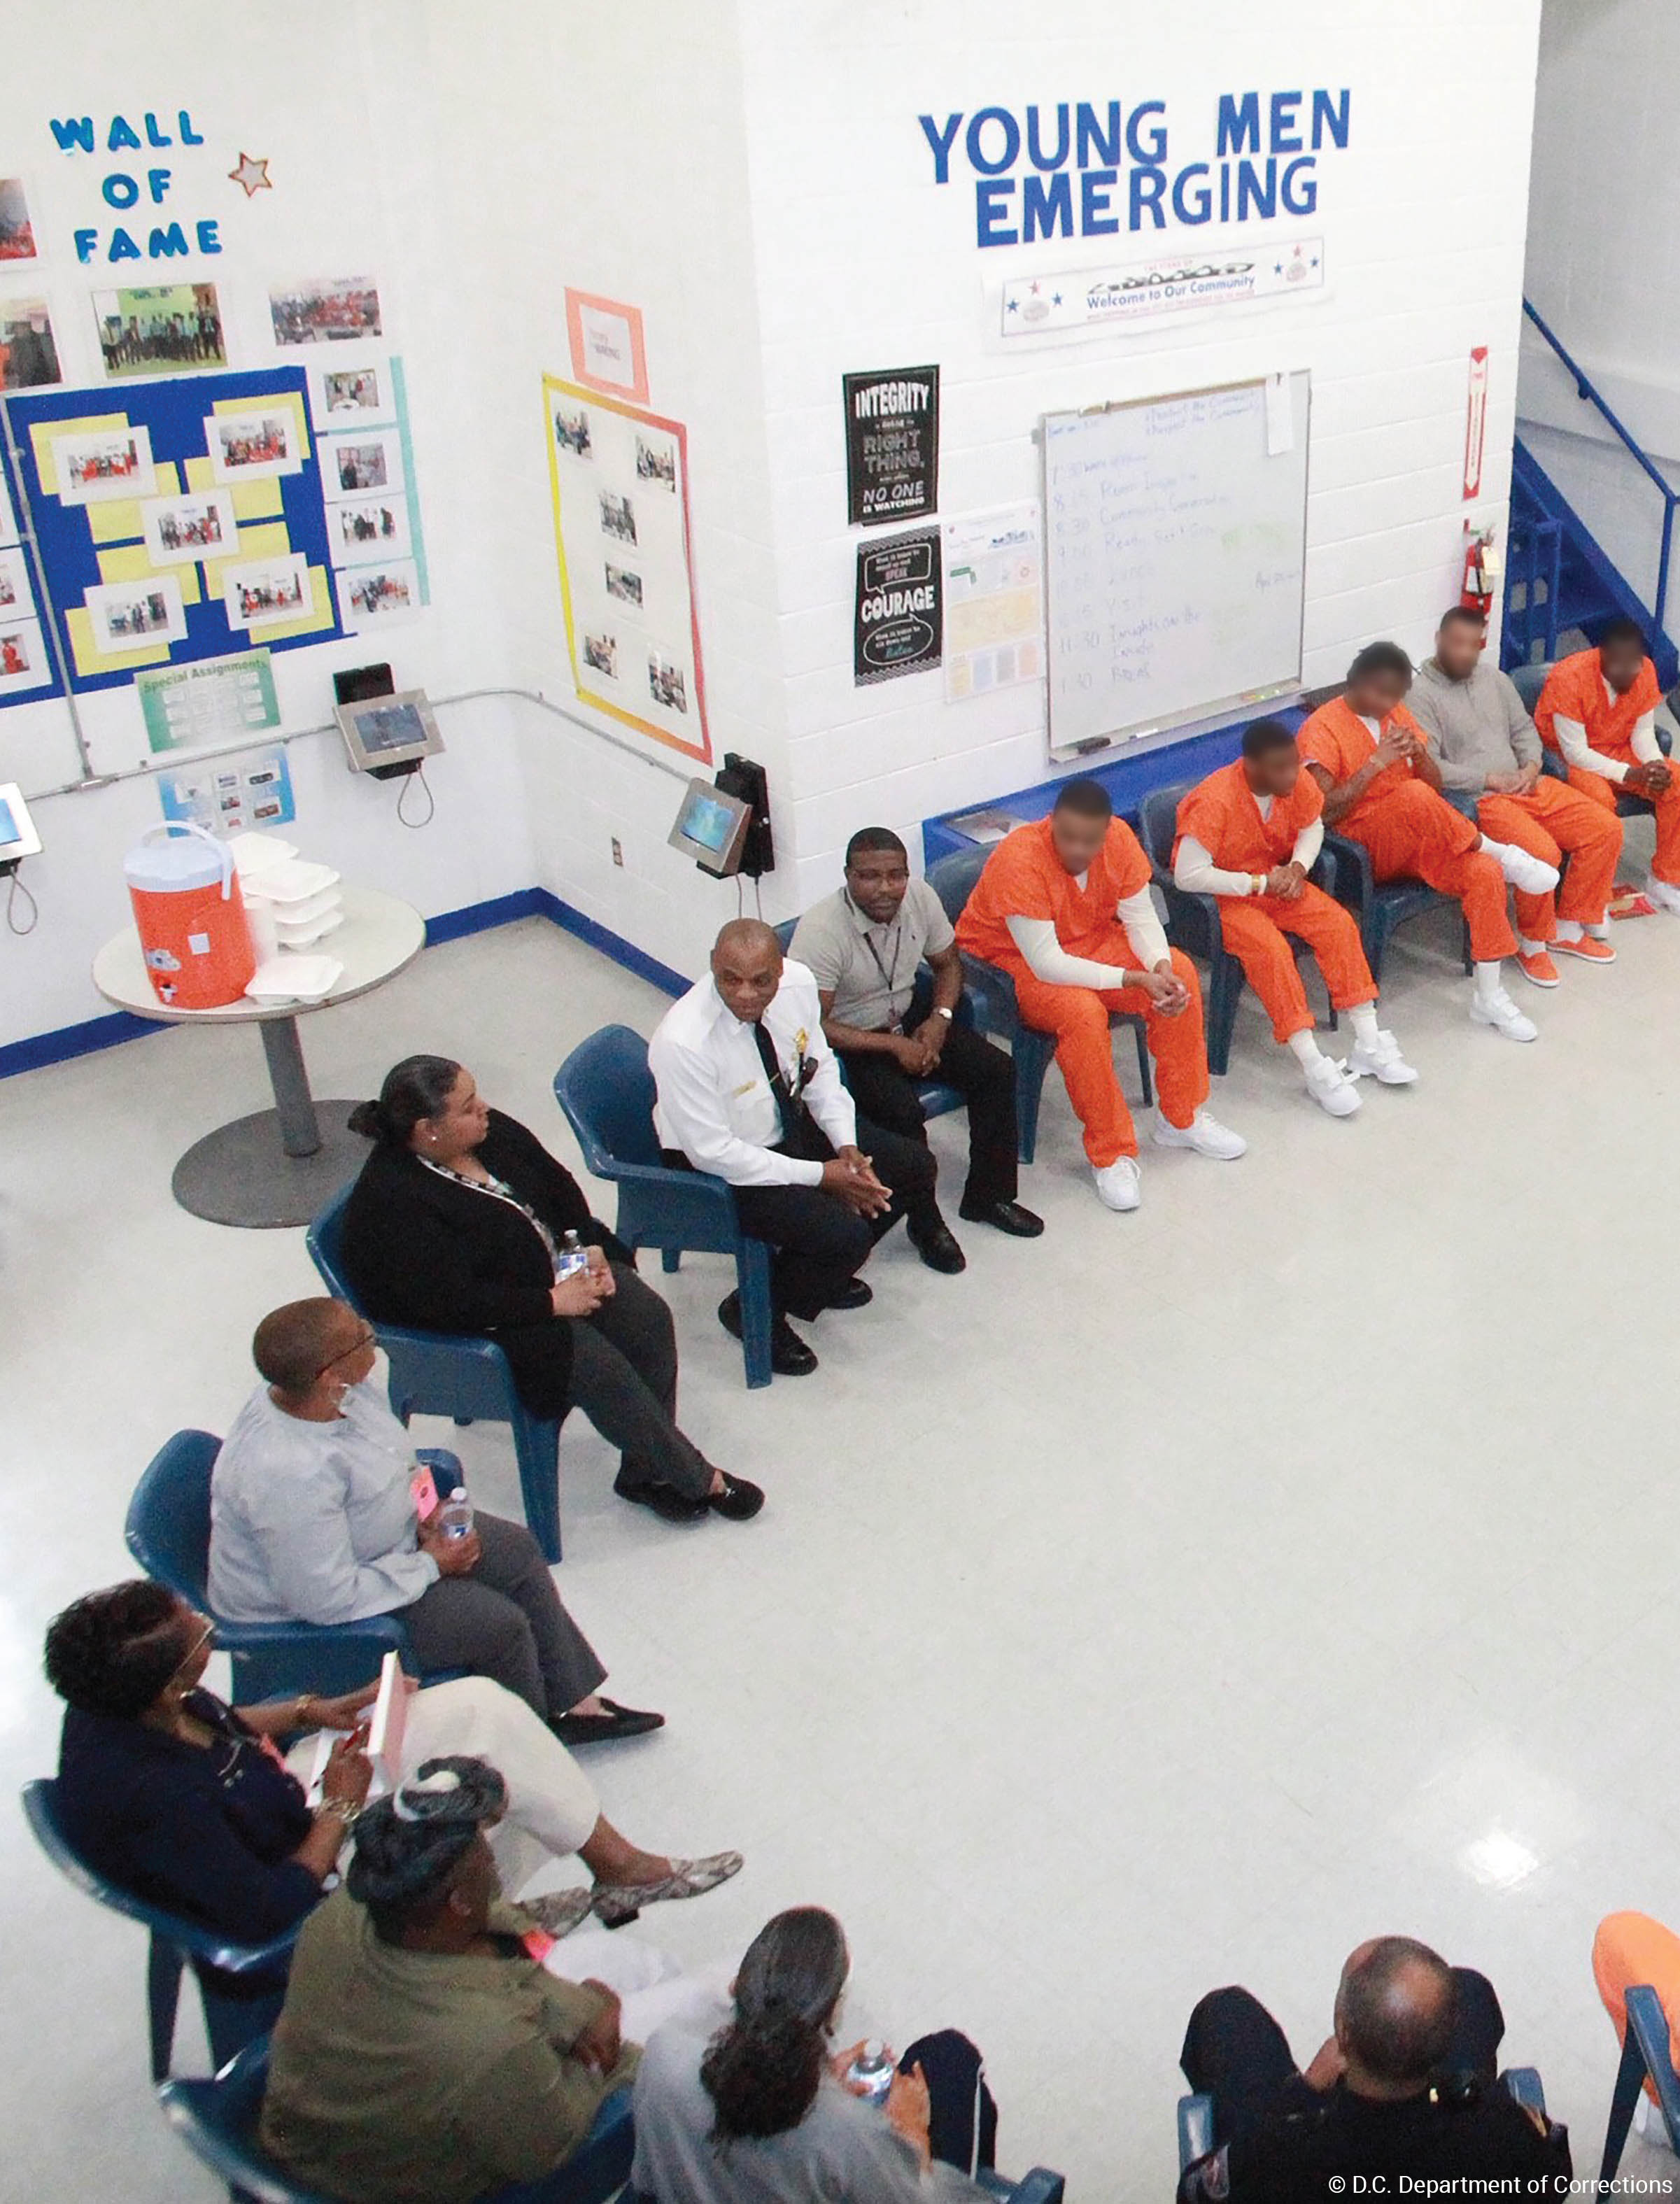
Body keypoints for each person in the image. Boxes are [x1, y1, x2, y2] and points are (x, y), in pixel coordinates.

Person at [43, 1582, 742, 1970]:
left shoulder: (122, 1698)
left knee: (483, 1710)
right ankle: (483, 1925)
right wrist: (339, 1811)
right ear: (167, 1684)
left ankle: (608, 1870)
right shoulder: (157, 1800)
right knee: (472, 1797)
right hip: (297, 1883)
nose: (208, 1626)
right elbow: (269, 1907)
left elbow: (219, 1722)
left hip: (280, 1803)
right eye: (199, 1636)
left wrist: (313, 1710)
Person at [261, 1758, 723, 2204]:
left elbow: (500, 1935)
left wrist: (588, 2006)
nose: (492, 1862)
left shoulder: (353, 1908)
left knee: (630, 1961)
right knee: (712, 1999)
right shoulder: (487, 2044)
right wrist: (607, 2052)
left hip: (359, 2112)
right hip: (421, 2168)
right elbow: (549, 2144)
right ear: (458, 1902)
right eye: (484, 1859)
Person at [209, 1297, 661, 1747]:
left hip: (381, 1547)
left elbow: (392, 1457)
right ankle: (529, 1743)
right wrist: (430, 1565)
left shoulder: (339, 1393)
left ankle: (572, 1703)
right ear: (329, 1375)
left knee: (516, 1550)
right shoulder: (287, 1475)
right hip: (325, 1617)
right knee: (498, 1626)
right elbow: (326, 1598)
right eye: (361, 1336)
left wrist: (424, 1509)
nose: (372, 1334)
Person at [340, 1056, 760, 1527]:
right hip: (492, 1319)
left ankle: (646, 1472)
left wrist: (589, 1246)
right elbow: (446, 1300)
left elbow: (557, 1187)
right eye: (467, 1106)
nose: (484, 1109)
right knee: (595, 1364)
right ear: (428, 1129)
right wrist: (551, 1303)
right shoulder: (393, 1202)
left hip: (554, 1269)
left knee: (647, 1317)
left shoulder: (489, 1132)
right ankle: (698, 1478)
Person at [649, 920, 947, 1376]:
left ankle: (811, 1276)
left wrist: (844, 1143)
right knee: (844, 1237)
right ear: (712, 965)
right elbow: (713, 1152)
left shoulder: (799, 985)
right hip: (718, 1167)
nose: (746, 994)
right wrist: (821, 1175)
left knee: (913, 1168)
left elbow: (819, 1066)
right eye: (730, 979)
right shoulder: (684, 1042)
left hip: (784, 1120)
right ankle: (754, 1309)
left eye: (761, 980)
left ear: (780, 969)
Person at [954, 779, 1245, 1213]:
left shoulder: (1120, 840)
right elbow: (1047, 963)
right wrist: (1131, 979)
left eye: (1089, 841)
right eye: (1067, 837)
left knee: (1181, 972)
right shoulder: (1019, 858)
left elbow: (1140, 917)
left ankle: (1180, 1117)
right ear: (1051, 823)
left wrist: (1159, 967)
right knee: (1082, 1012)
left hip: (1086, 938)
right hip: (1009, 962)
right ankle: (1110, 1153)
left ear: (1107, 830)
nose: (1077, 849)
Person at [631, 1905, 1001, 2202]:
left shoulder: (664, 2054)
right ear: (833, 2012)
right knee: (950, 2058)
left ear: (736, 1987)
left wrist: (822, 2081)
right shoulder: (849, 2131)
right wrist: (913, 2133)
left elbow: (649, 2176)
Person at [1298, 642, 1562, 1043]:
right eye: (1383, 695)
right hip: (1364, 845)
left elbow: (1434, 785)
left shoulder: (1395, 714)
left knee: (1483, 873)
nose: (1390, 705)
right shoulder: (1321, 729)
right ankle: (1497, 849)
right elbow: (1323, 812)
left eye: (1396, 696)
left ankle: (1489, 996)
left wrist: (1420, 755)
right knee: (1413, 796)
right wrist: (1376, 763)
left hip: (1419, 831)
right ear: (1358, 682)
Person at [1178, 1936, 1571, 2201]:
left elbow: (1194, 2193)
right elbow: (1554, 2178)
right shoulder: (1501, 2132)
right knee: (1470, 1989)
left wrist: (1304, 2092)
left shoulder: (1276, 2154)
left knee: (1226, 2013)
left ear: (1343, 2033)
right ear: (1448, 2042)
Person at [790, 828, 1043, 1243]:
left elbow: (948, 964)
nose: (885, 888)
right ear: (849, 876)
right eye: (870, 877)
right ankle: (925, 1223)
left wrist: (940, 1020)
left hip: (911, 1017)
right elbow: (814, 1026)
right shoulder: (822, 931)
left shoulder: (920, 898)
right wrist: (894, 1045)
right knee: (902, 1112)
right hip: (855, 1040)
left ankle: (989, 1197)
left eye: (896, 875)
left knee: (997, 1070)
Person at [1173, 721, 1418, 1116]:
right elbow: (1187, 875)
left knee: (1338, 924)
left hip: (1276, 880)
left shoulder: (1296, 780)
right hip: (1227, 898)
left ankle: (1369, 1041)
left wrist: (1299, 868)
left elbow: (1312, 827)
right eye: (1280, 769)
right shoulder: (1215, 800)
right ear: (1252, 768)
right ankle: (1314, 1065)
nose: (1292, 775)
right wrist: (1257, 883)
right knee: (1271, 951)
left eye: (1293, 765)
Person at [1411, 605, 1622, 984]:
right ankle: (1533, 944)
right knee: (1542, 853)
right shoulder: (1419, 695)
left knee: (1605, 828)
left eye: (1473, 645)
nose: (1465, 653)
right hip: (1482, 798)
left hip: (1529, 784)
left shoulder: (1496, 680)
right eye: (1457, 644)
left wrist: (1530, 767)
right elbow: (1431, 769)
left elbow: (1525, 731)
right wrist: (1490, 779)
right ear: (1439, 640)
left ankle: (1569, 927)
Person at [1535, 618, 1680, 914]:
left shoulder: (1645, 670)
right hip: (1571, 758)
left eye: (1634, 665)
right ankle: (1591, 894)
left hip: (1618, 747)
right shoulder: (1569, 678)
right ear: (1601, 656)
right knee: (1600, 804)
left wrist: (1654, 765)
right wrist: (1631, 774)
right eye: (1619, 666)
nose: (1628, 673)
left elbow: (1643, 734)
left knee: (1675, 781)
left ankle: (1665, 879)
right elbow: (1575, 752)